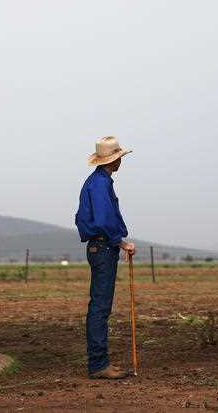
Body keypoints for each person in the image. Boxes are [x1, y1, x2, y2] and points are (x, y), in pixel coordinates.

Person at [75, 136, 136, 379]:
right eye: (119, 157)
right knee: (100, 307)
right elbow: (102, 220)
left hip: (99, 247)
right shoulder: (100, 184)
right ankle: (99, 364)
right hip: (103, 248)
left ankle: (99, 362)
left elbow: (81, 217)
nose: (121, 161)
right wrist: (121, 242)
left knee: (99, 306)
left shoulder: (97, 182)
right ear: (114, 160)